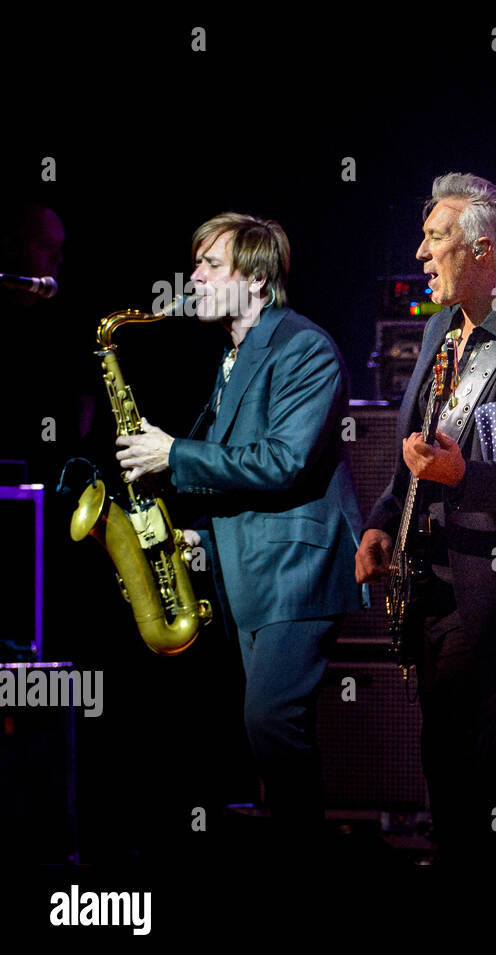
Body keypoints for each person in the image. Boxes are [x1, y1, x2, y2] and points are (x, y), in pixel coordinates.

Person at [115, 212, 365, 849]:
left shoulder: (302, 345)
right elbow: (242, 475)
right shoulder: (234, 357)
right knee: (267, 730)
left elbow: (284, 460)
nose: (193, 276)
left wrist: (173, 454)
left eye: (211, 265)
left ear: (256, 280)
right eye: (195, 264)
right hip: (253, 569)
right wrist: (196, 533)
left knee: (272, 720)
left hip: (297, 569)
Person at [355, 173, 496, 854]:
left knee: (450, 743)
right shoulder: (436, 333)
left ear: (482, 250)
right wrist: (381, 520)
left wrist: (465, 475)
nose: (421, 254)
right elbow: (412, 450)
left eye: (435, 238)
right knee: (460, 755)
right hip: (429, 580)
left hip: (493, 587)